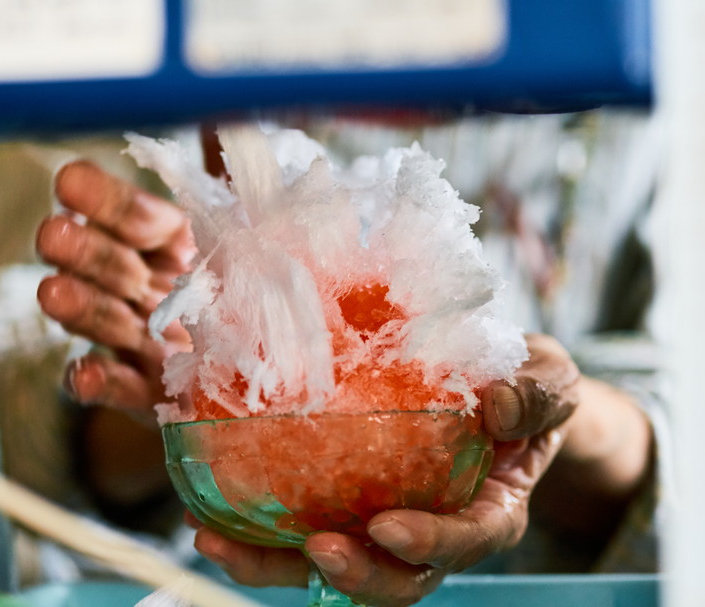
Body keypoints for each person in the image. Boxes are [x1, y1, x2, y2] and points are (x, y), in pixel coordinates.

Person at [34, 113, 658, 606]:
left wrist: (568, 428)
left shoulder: (650, 94)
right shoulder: (170, 59)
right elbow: (14, 419)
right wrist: (191, 398)